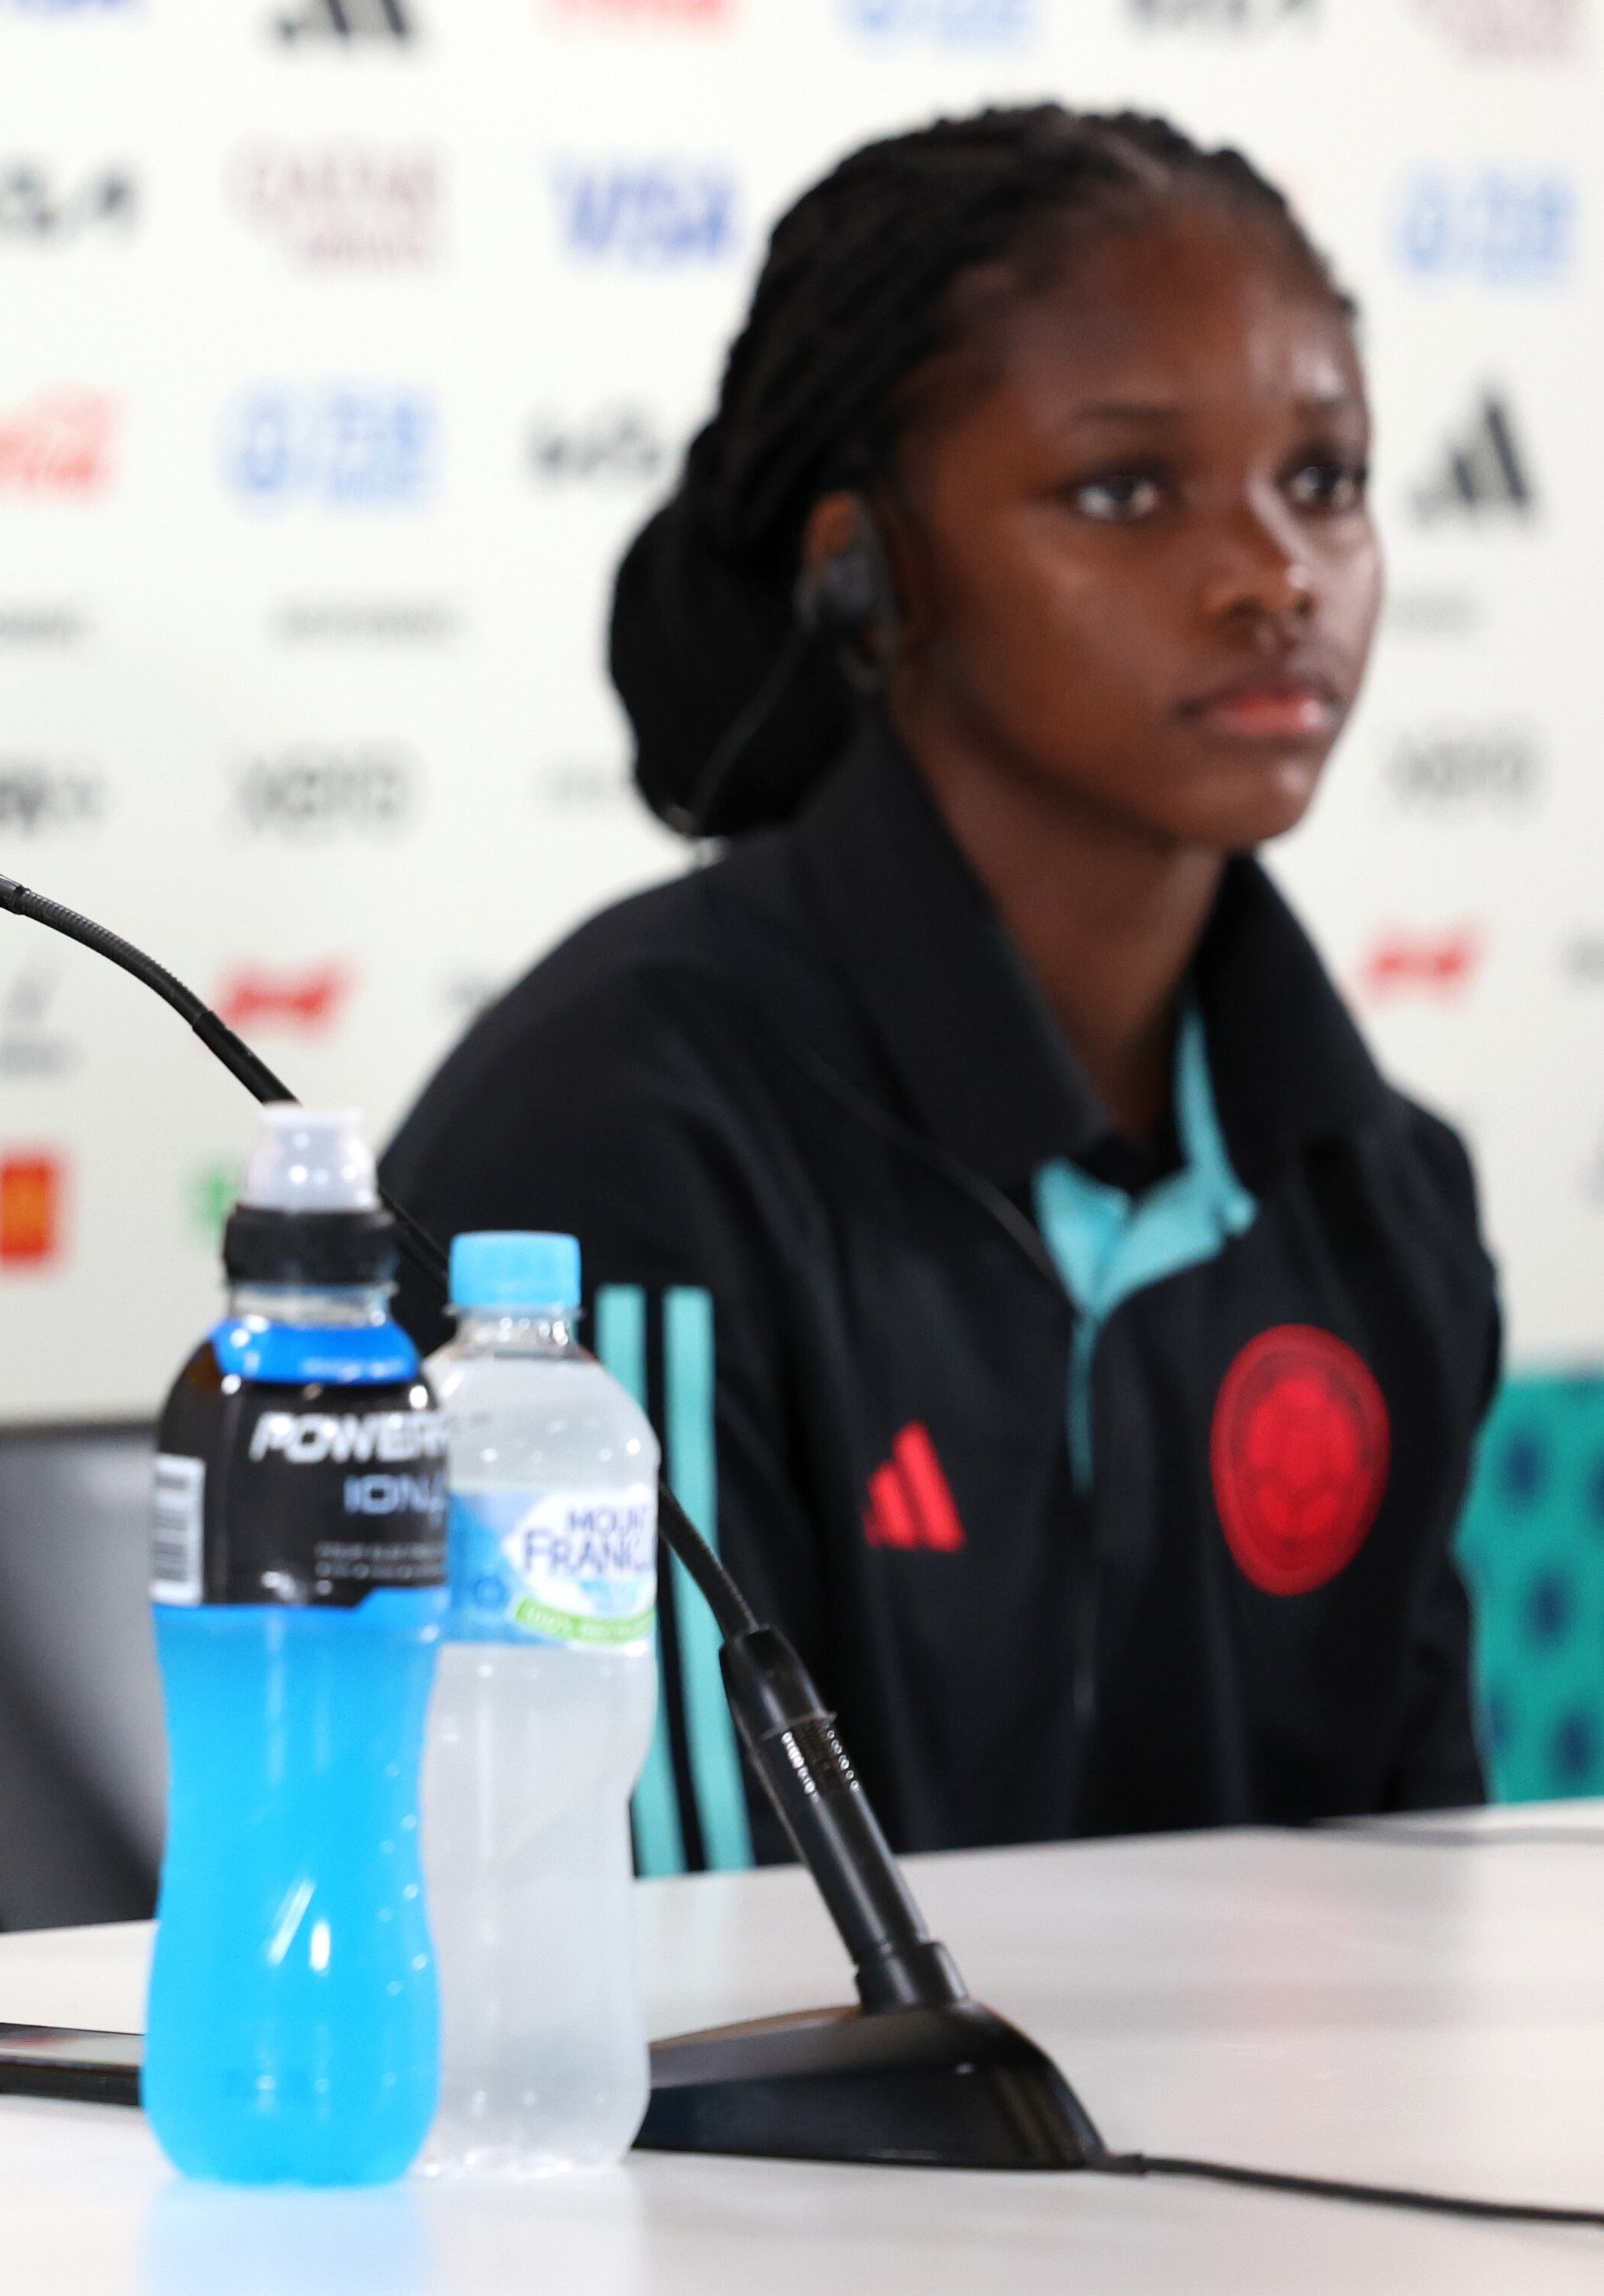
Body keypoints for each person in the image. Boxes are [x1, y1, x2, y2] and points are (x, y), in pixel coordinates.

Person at [385, 106, 1495, 1870]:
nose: (1272, 576)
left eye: (1324, 480)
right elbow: (663, 1975)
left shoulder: (1379, 1192)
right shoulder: (623, 1146)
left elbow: (1425, 1911)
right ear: (866, 572)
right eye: (1124, 491)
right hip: (752, 2156)